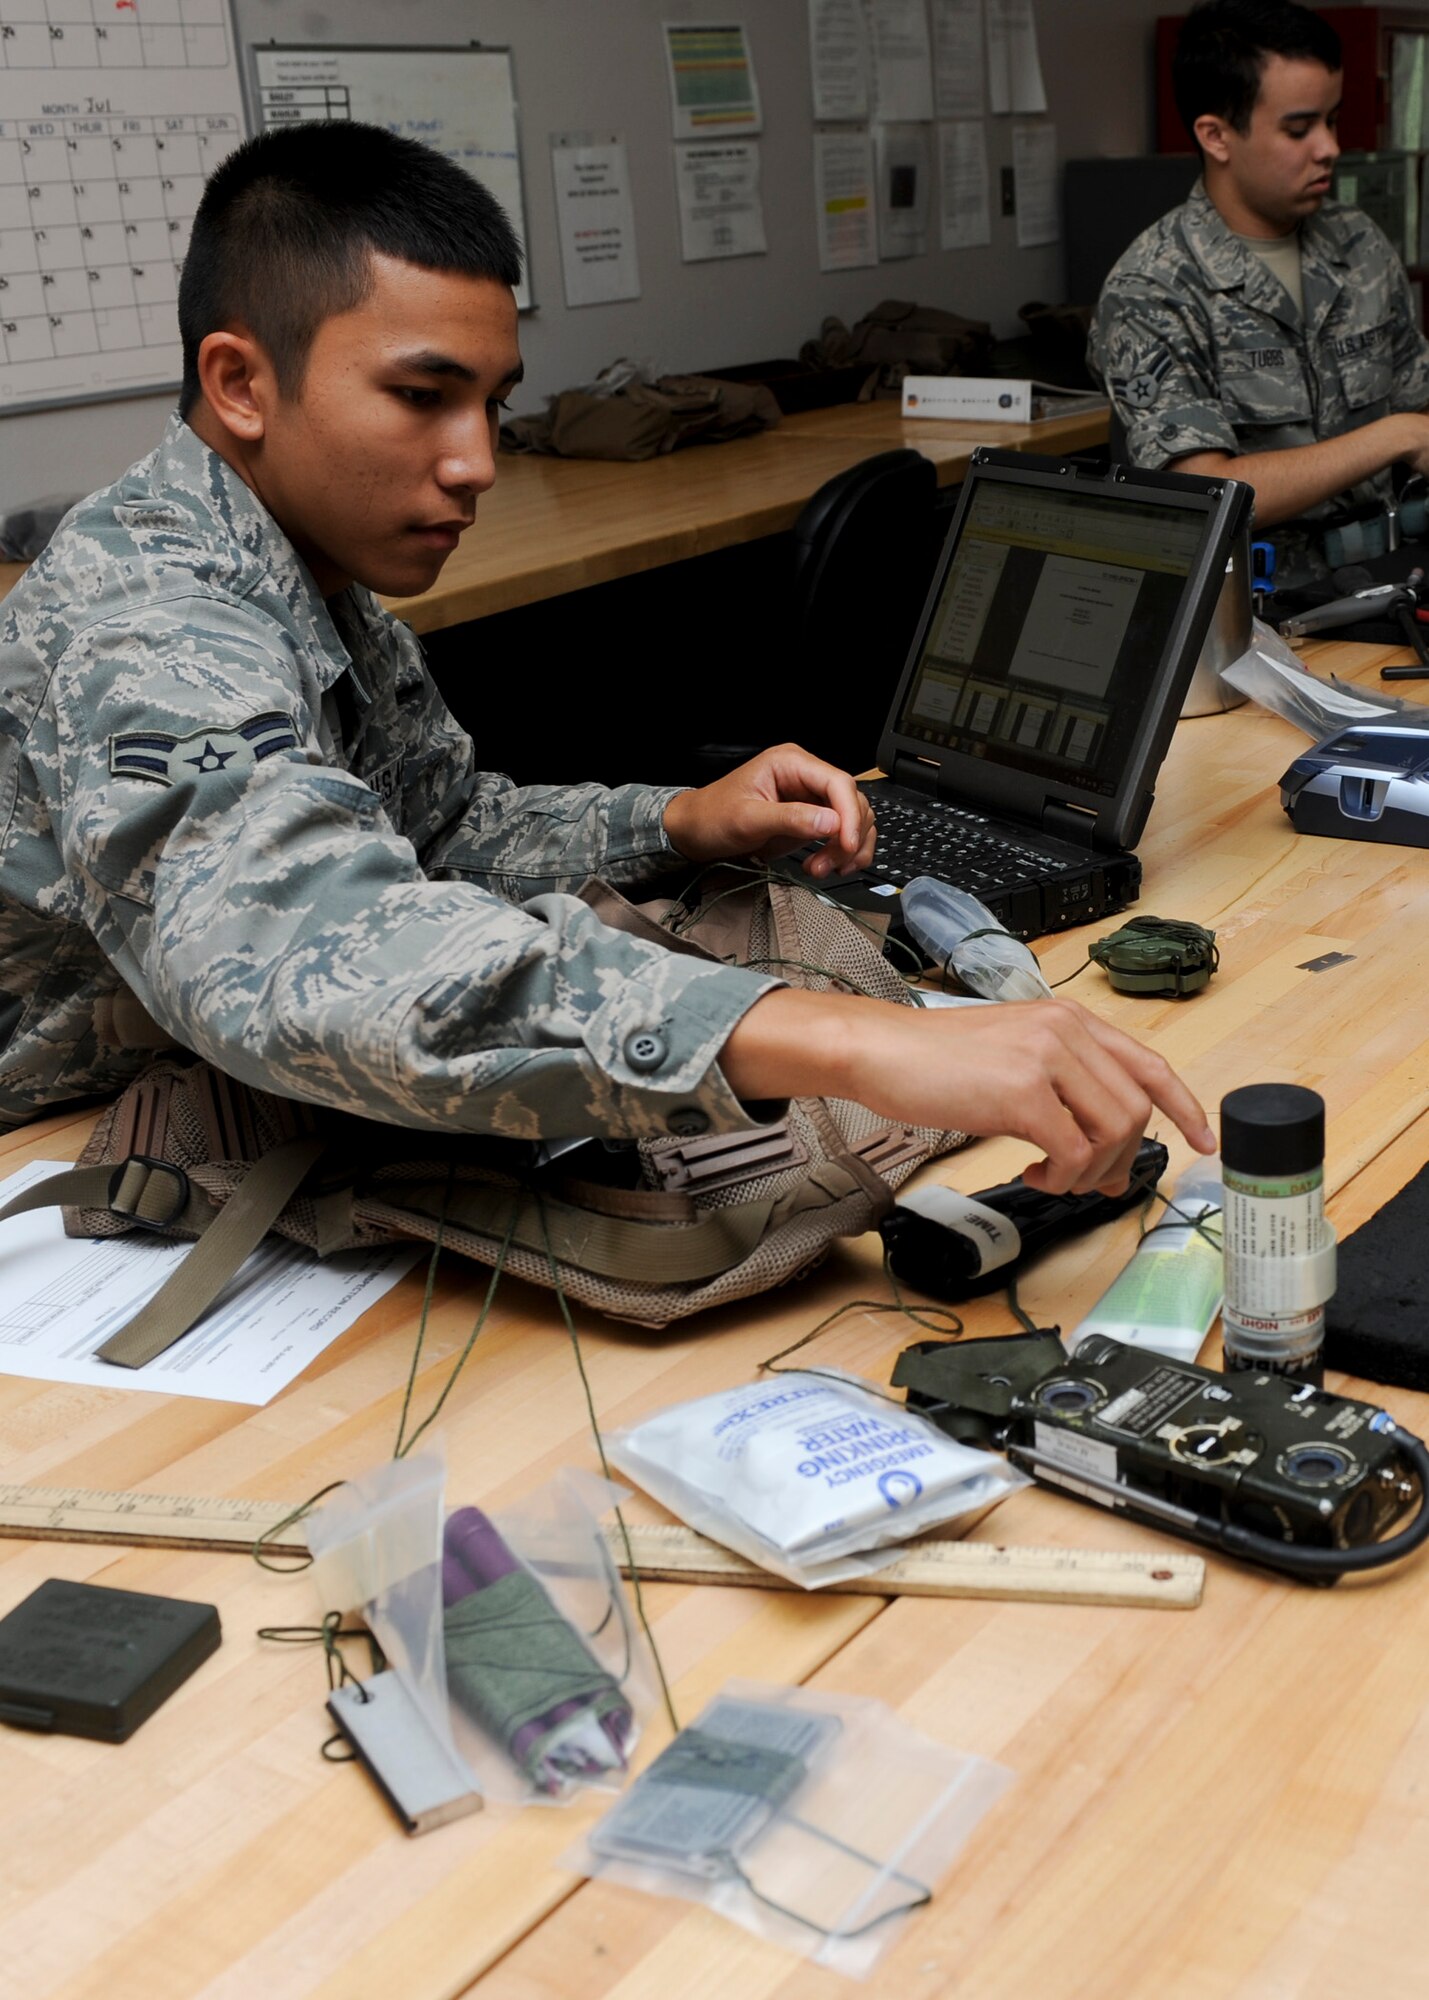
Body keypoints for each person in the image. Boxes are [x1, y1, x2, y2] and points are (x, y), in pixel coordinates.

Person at [0, 122, 1213, 1199]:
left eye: (491, 401)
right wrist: (842, 1039)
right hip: (62, 1141)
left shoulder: (303, 559)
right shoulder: (149, 613)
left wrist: (678, 819)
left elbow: (435, 826)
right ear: (240, 383)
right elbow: (295, 950)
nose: (476, 460)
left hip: (207, 1090)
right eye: (423, 396)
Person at [1089, 0, 1429, 571]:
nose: (1329, 148)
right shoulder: (1152, 288)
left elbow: (1420, 402)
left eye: (1333, 120)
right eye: (1299, 128)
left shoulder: (1358, 243)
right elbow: (1206, 493)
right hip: (1258, 613)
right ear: (1216, 136)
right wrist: (1393, 436)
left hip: (1394, 575)